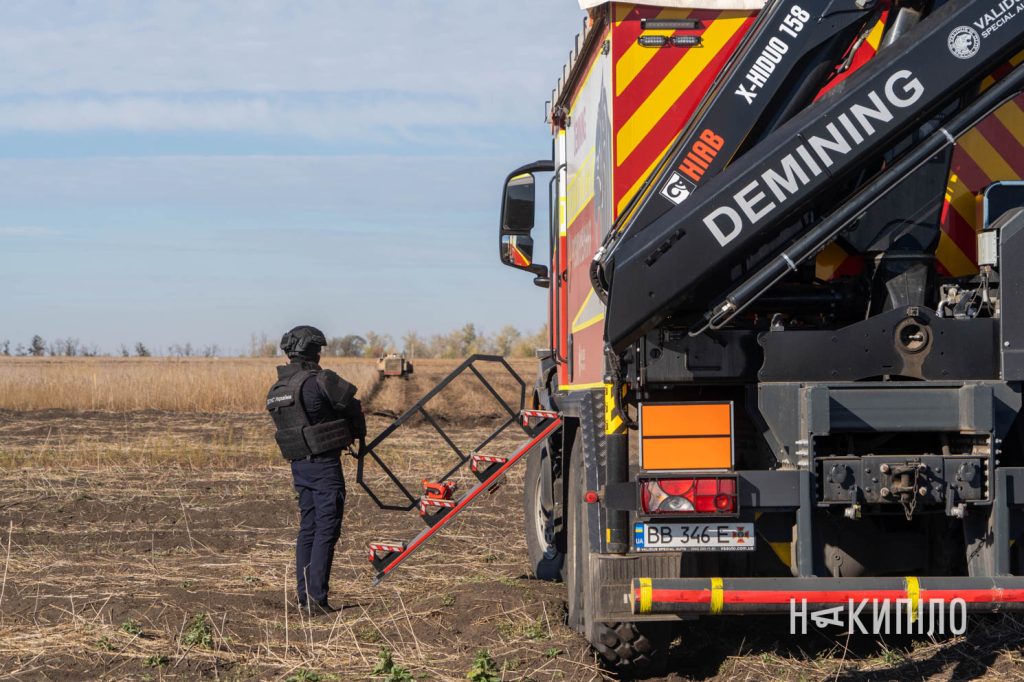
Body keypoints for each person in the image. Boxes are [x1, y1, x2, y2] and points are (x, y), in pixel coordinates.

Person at [266, 325, 366, 615]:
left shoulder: (279, 389)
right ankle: (317, 600)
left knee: (308, 529)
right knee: (326, 529)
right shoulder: (320, 380)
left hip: (299, 466)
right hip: (324, 466)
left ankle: (304, 597)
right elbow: (351, 406)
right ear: (314, 352)